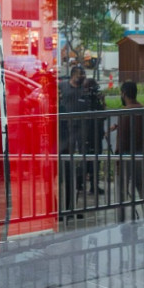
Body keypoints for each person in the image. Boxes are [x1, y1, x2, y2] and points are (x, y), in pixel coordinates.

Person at [112, 81, 144, 221]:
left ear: (124, 94)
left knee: (122, 188)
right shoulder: (142, 109)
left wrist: (118, 156)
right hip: (140, 152)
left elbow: (122, 138)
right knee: (141, 185)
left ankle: (121, 219)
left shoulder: (125, 112)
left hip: (126, 154)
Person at [58, 66, 87, 217]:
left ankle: (71, 206)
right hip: (64, 136)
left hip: (80, 131)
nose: (83, 77)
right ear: (73, 75)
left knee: (75, 168)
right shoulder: (62, 87)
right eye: (81, 74)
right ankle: (62, 208)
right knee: (63, 172)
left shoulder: (84, 89)